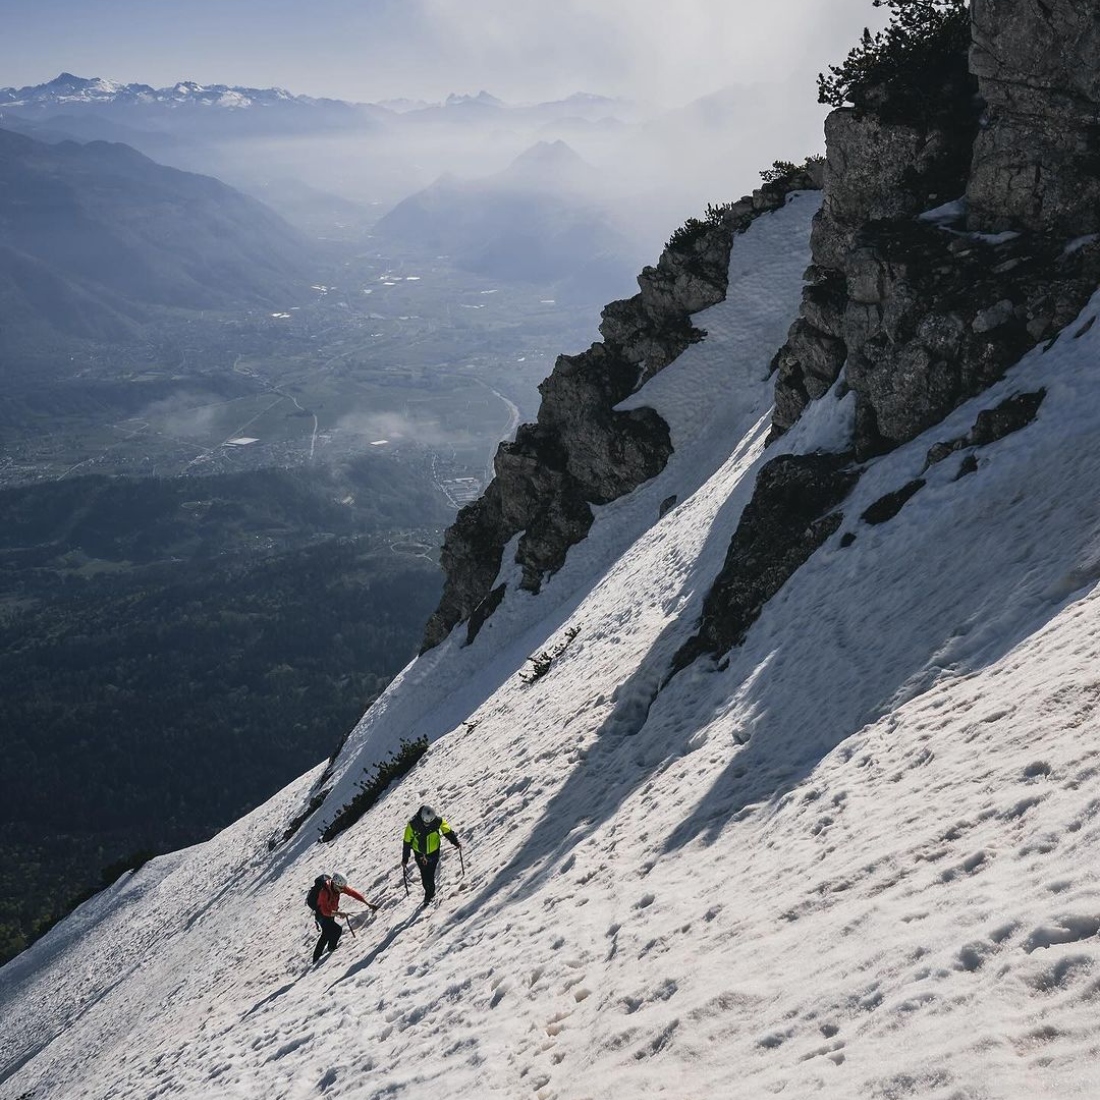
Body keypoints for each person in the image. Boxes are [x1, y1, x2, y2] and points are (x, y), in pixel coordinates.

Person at [402, 804, 461, 908]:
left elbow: (447, 831)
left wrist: (455, 841)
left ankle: (430, 892)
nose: (427, 825)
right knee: (425, 875)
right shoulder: (412, 825)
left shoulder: (438, 821)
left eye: (429, 823)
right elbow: (407, 842)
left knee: (430, 872)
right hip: (420, 853)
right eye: (425, 823)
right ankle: (428, 893)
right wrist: (405, 858)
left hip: (434, 851)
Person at [312, 872, 378, 963]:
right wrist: (338, 913)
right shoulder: (324, 892)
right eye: (341, 888)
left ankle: (317, 958)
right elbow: (324, 911)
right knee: (336, 930)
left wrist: (367, 903)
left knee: (326, 934)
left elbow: (353, 893)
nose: (342, 890)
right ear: (335, 884)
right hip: (321, 914)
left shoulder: (338, 886)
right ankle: (331, 949)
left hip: (331, 911)